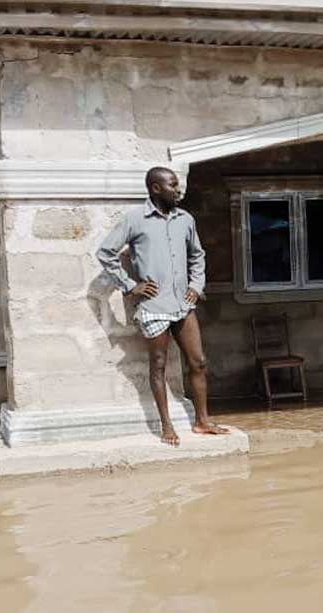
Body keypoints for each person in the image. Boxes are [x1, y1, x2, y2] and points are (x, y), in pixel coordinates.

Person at [96, 166, 231, 446]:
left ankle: (202, 421)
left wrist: (196, 286)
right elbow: (105, 253)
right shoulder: (135, 220)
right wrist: (130, 285)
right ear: (156, 188)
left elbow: (198, 256)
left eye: (177, 184)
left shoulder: (185, 219)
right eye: (172, 185)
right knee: (158, 364)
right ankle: (167, 426)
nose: (178, 190)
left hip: (183, 303)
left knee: (199, 362)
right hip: (154, 305)